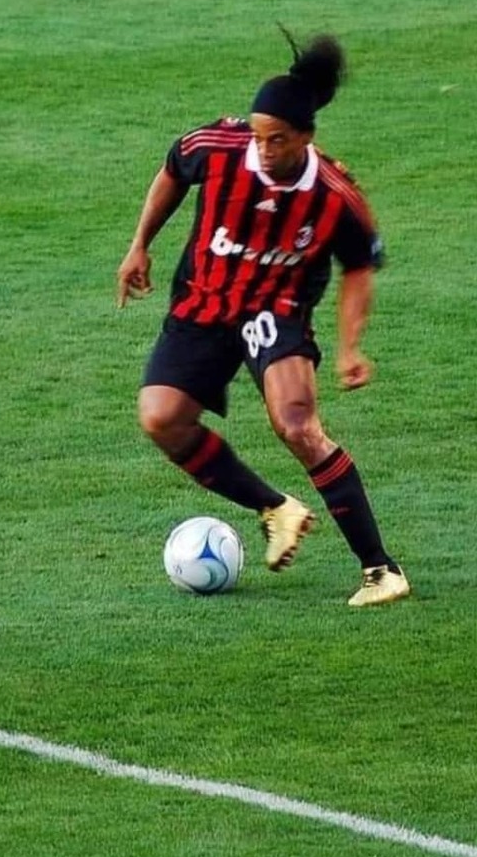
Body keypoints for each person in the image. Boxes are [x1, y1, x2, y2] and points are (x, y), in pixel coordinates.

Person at [116, 32, 409, 607]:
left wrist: (350, 347)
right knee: (161, 418)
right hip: (203, 302)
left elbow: (358, 267)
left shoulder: (335, 194)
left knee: (298, 427)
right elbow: (173, 168)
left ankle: (381, 569)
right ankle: (276, 508)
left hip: (276, 310)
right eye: (259, 136)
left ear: (305, 138)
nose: (266, 149)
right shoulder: (219, 147)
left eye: (278, 140)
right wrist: (139, 245)